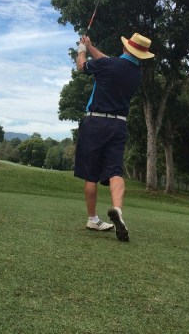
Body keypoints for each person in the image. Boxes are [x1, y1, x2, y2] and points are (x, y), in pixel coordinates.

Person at [74, 32, 154, 241]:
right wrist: (91, 45)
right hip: (119, 124)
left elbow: (82, 66)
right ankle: (117, 208)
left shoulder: (108, 65)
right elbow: (109, 61)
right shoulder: (135, 72)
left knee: (91, 174)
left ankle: (92, 218)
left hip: (95, 123)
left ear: (126, 47)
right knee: (115, 171)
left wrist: (82, 50)